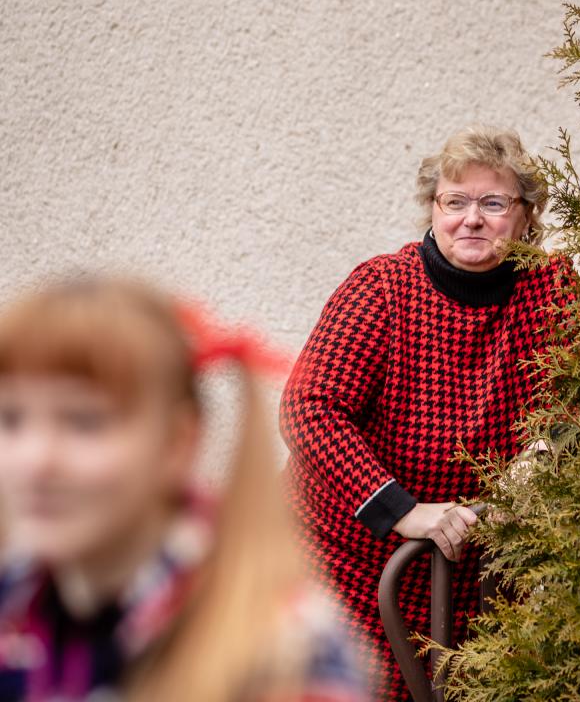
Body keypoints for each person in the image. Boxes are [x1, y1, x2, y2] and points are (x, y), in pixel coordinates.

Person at [281, 126, 580, 699]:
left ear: (526, 215)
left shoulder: (552, 291)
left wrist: (543, 455)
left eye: (493, 203)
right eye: (455, 201)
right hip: (340, 566)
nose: (472, 219)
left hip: (465, 584)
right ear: (433, 209)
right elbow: (309, 408)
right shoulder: (382, 288)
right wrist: (400, 509)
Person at [0, 277, 367, 702]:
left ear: (177, 442)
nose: (36, 461)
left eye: (84, 422)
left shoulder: (283, 653)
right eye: (12, 419)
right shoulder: (15, 607)